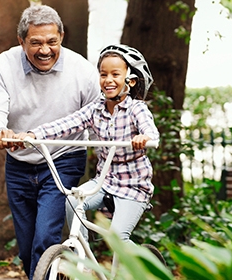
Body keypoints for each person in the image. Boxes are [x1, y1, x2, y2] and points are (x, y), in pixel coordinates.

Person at [0, 5, 100, 279]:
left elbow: (99, 120)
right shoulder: (2, 66)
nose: (45, 50)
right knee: (26, 249)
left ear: (62, 36)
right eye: (35, 43)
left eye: (52, 42)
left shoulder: (82, 70)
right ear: (21, 41)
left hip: (63, 158)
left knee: (45, 238)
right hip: (19, 163)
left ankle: (54, 268)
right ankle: (55, 271)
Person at [14, 44, 159, 267]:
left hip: (133, 186)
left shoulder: (136, 109)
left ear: (130, 81)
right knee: (72, 199)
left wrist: (145, 137)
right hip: (104, 182)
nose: (108, 79)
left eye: (115, 74)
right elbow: (67, 123)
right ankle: (83, 252)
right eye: (103, 74)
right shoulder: (95, 108)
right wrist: (34, 134)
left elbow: (150, 131)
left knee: (118, 239)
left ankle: (147, 266)